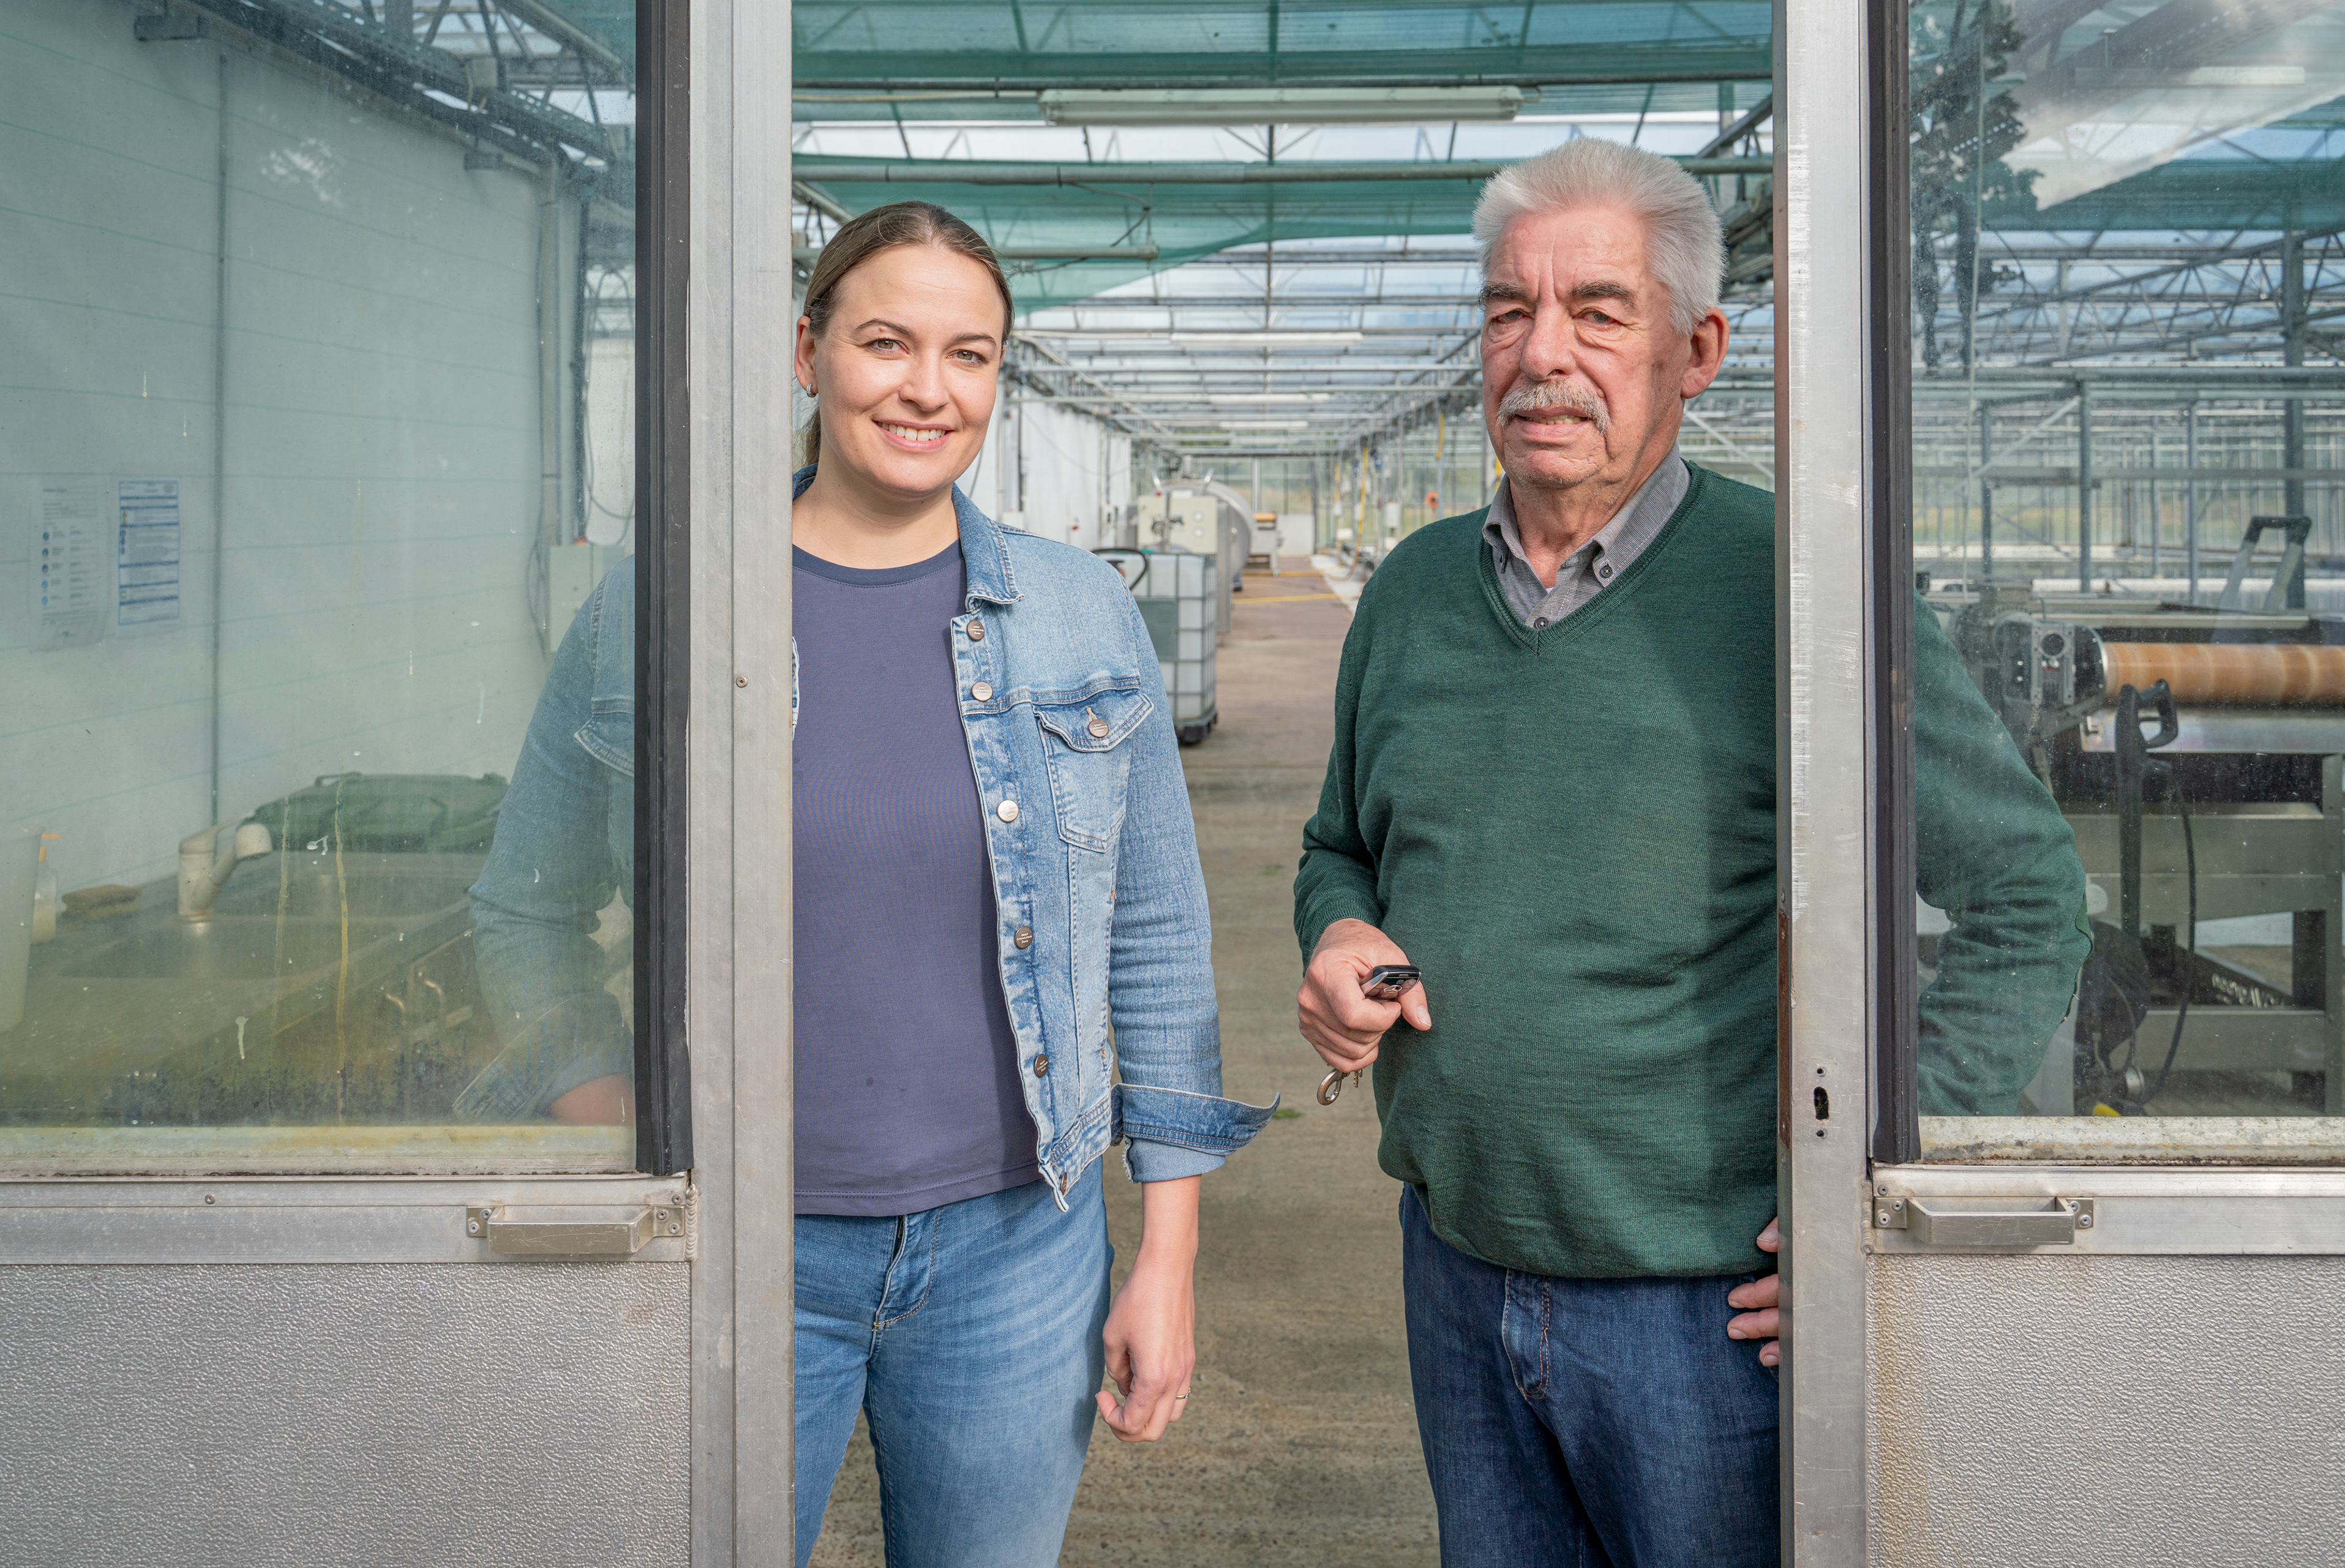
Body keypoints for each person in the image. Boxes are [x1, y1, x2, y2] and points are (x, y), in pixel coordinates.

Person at [1293, 139, 2088, 1566]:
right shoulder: (1411, 594)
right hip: (1456, 1273)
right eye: (1506, 311)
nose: (1542, 356)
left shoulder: (1799, 599)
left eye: (1597, 312)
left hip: (1705, 1319)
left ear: (1698, 349)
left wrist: (1864, 1199)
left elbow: (2028, 898)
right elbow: (1339, 845)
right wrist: (1339, 933)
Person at [465, 200, 1272, 1568]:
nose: (928, 389)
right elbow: (523, 906)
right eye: (887, 342)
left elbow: (1157, 937)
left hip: (1019, 1250)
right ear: (807, 350)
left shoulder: (1080, 614)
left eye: (971, 356)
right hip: (733, 1246)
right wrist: (605, 1106)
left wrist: (1168, 1253)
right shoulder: (656, 611)